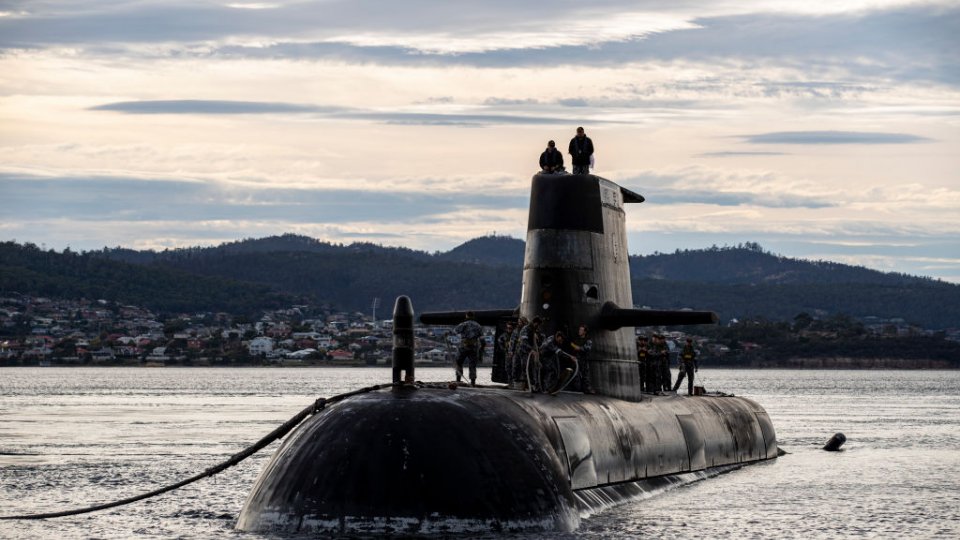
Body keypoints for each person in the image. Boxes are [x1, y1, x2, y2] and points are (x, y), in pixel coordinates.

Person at [453, 311, 483, 386]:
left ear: (466, 316)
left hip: (464, 346)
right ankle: (473, 381)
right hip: (474, 347)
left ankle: (458, 379)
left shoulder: (463, 324)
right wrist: (481, 349)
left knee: (458, 362)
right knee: (472, 364)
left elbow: (455, 331)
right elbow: (482, 338)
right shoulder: (478, 326)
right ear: (473, 316)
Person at [516, 317, 543, 391]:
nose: (538, 327)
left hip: (530, 352)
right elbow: (524, 342)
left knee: (534, 368)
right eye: (538, 325)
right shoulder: (526, 329)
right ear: (535, 323)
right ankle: (527, 386)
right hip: (524, 352)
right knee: (526, 368)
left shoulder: (532, 330)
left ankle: (533, 385)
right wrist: (532, 350)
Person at [570, 324, 594, 394]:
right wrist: (572, 356)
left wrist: (580, 348)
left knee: (585, 376)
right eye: (579, 329)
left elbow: (588, 348)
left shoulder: (588, 340)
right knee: (576, 375)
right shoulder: (576, 339)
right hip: (577, 360)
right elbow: (572, 349)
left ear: (585, 332)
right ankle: (577, 389)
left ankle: (586, 389)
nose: (579, 331)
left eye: (581, 330)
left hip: (584, 360)